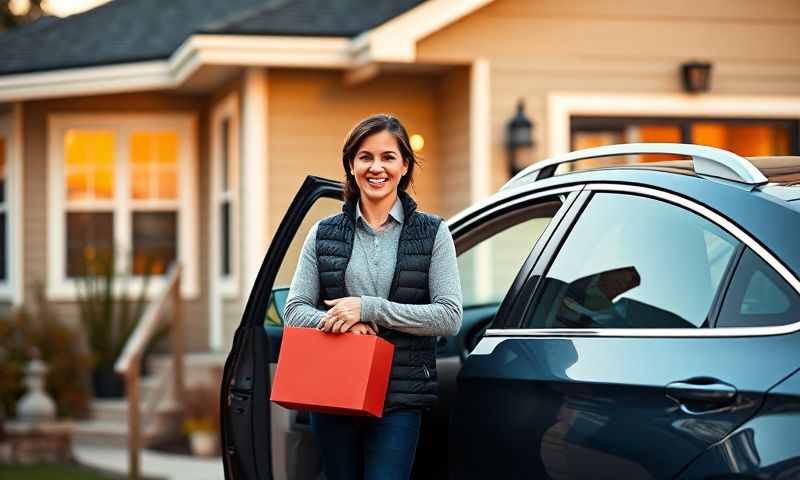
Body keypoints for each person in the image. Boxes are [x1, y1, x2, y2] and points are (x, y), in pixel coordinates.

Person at [284, 113, 463, 480]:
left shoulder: (433, 233)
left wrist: (370, 309)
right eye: (365, 157)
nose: (376, 167)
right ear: (351, 165)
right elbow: (294, 311)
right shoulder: (323, 233)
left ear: (404, 165)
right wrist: (341, 323)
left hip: (400, 395)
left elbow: (449, 315)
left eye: (388, 157)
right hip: (334, 390)